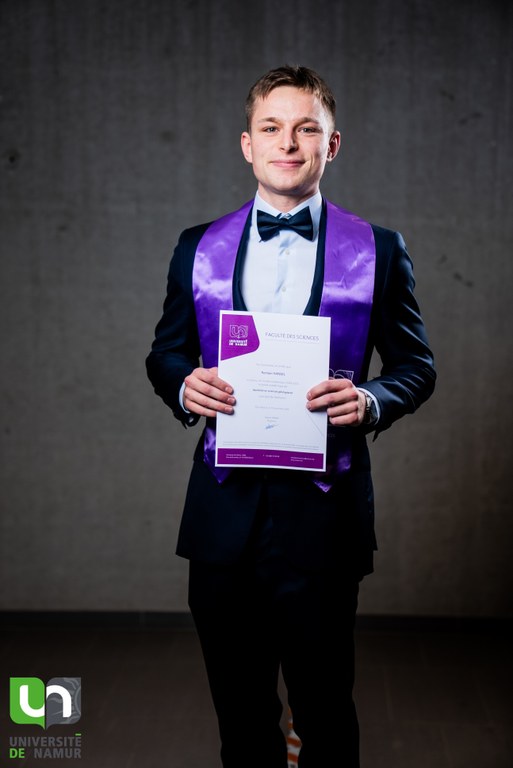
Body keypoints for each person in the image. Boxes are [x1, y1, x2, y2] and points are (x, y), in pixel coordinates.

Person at [146, 65, 435, 768]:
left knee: (326, 713)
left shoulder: (379, 249)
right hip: (223, 516)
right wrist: (184, 386)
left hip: (324, 515)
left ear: (331, 145)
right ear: (247, 144)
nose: (288, 143)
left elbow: (415, 366)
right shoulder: (197, 246)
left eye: (307, 128)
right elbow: (166, 354)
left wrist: (370, 400)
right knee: (240, 717)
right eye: (271, 128)